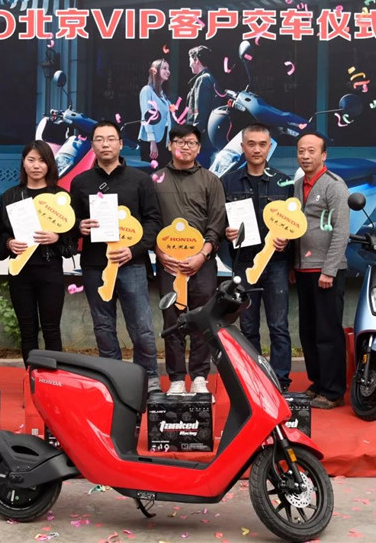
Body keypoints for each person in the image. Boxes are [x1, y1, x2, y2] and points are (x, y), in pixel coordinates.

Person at [70, 121, 162, 393]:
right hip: (96, 265)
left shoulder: (140, 180)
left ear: (121, 144)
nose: (106, 144)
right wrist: (79, 226)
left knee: (142, 328)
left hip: (131, 263)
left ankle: (149, 379)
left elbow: (153, 221)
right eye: (99, 139)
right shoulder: (81, 182)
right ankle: (113, 381)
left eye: (111, 139)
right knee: (103, 327)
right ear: (93, 145)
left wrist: (134, 249)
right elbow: (70, 221)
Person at [221, 124, 294, 391]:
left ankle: (280, 382)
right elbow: (218, 221)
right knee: (248, 326)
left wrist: (287, 240)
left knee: (278, 325)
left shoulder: (284, 183)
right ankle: (254, 381)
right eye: (251, 144)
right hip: (243, 263)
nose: (256, 149)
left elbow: (295, 226)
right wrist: (226, 231)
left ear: (269, 147)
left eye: (262, 144)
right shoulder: (227, 182)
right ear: (243, 147)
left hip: (276, 264)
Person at [155, 124, 226, 394]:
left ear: (198, 148)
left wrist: (202, 254)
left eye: (191, 143)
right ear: (170, 145)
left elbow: (217, 223)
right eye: (179, 141)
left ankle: (199, 377)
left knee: (201, 318)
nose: (185, 147)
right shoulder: (156, 180)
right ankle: (175, 378)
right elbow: (149, 220)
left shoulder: (210, 180)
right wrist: (160, 253)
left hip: (202, 264)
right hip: (168, 264)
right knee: (172, 319)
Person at [0, 141, 76, 367]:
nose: (36, 165)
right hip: (20, 272)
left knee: (51, 329)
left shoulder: (60, 196)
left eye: (42, 160)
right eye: (31, 160)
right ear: (23, 163)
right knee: (27, 329)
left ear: (49, 164)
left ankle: (54, 380)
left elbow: (72, 241)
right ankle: (31, 376)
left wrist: (57, 237)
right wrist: (9, 243)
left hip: (50, 271)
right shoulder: (11, 196)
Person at [292, 132, 350, 409]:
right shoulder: (297, 184)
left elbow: (341, 231)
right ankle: (318, 383)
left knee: (328, 332)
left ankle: (334, 391)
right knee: (309, 331)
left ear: (323, 155)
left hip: (326, 272)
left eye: (311, 151)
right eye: (301, 151)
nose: (305, 156)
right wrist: (294, 264)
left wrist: (329, 270)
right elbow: (294, 226)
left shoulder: (334, 185)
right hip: (303, 270)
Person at [185, 45, 219, 168]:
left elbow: (200, 113)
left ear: (196, 60)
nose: (189, 64)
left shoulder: (203, 80)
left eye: (190, 60)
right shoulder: (210, 78)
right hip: (206, 140)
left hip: (201, 142)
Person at [138, 58, 172, 168]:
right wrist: (152, 142)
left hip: (164, 140)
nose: (168, 71)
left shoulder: (162, 94)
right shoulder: (147, 91)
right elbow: (146, 118)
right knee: (151, 174)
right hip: (151, 141)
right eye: (164, 68)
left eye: (168, 69)